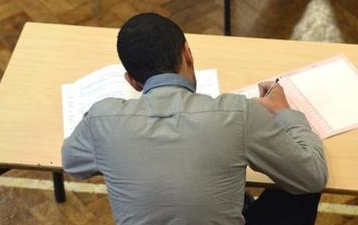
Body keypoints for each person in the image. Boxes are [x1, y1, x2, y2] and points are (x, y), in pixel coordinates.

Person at [62, 13, 328, 225]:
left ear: (132, 82)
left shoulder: (101, 120)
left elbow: (72, 163)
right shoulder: (238, 114)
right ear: (187, 53)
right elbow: (312, 176)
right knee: (299, 189)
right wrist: (284, 113)